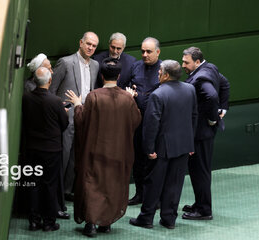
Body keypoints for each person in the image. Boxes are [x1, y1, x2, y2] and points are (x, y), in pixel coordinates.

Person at [65, 58, 141, 237]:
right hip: (118, 151)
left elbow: (82, 121)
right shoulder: (127, 98)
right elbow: (136, 120)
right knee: (112, 185)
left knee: (93, 185)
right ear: (119, 76)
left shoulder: (94, 96)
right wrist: (130, 99)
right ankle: (106, 222)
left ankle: (91, 224)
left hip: (95, 150)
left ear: (101, 75)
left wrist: (77, 105)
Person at [129, 60, 197, 229]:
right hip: (183, 146)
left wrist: (149, 149)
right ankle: (169, 219)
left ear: (166, 75)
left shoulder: (157, 95)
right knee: (175, 184)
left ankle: (146, 218)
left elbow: (151, 125)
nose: (157, 74)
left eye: (159, 71)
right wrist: (190, 143)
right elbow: (194, 117)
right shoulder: (190, 89)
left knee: (153, 183)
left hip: (161, 149)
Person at [181, 46, 230, 220]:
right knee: (199, 170)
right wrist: (223, 107)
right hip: (204, 132)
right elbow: (225, 83)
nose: (183, 65)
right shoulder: (211, 68)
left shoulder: (201, 78)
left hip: (201, 132)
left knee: (199, 171)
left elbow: (210, 96)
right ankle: (200, 203)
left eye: (186, 62)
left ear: (197, 62)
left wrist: (212, 118)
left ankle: (204, 210)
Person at [50, 32, 99, 200]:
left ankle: (67, 191)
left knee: (76, 157)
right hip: (66, 118)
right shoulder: (65, 62)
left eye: (94, 46)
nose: (90, 48)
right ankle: (55, 194)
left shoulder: (95, 65)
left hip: (85, 117)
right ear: (81, 43)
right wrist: (58, 111)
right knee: (63, 156)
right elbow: (52, 91)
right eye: (88, 44)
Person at [23, 53, 70, 220]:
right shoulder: (56, 101)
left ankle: (34, 220)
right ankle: (49, 221)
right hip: (51, 149)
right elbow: (64, 123)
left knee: (34, 184)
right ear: (49, 81)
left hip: (32, 147)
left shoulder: (26, 97)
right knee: (50, 185)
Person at [128, 37, 161, 206]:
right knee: (138, 161)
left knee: (153, 163)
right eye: (142, 51)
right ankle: (140, 194)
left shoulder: (164, 70)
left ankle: (153, 197)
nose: (145, 55)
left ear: (158, 52)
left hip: (156, 125)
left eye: (149, 51)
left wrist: (139, 96)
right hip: (137, 123)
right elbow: (128, 87)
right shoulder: (136, 67)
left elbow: (157, 99)